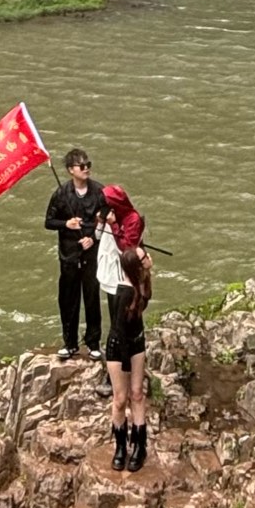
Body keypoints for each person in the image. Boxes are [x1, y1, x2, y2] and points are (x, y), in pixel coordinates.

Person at [98, 184, 154, 470]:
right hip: (118, 344)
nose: (149, 260)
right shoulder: (123, 288)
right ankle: (120, 445)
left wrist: (115, 227)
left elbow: (131, 249)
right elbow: (126, 252)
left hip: (136, 342)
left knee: (137, 394)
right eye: (145, 259)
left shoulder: (142, 287)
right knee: (120, 399)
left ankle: (139, 445)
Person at [45, 148, 106, 359]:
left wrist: (94, 237)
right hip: (69, 255)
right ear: (71, 170)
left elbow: (106, 217)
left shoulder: (99, 192)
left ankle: (93, 343)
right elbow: (49, 222)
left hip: (91, 254)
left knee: (92, 297)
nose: (87, 169)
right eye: (82, 166)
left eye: (88, 165)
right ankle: (69, 342)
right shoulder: (61, 194)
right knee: (68, 299)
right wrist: (66, 224)